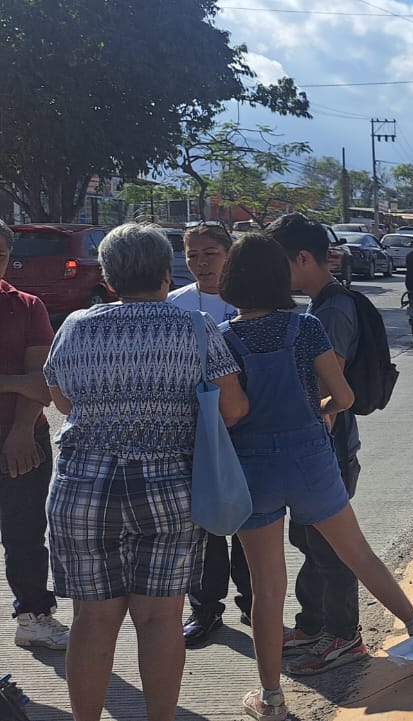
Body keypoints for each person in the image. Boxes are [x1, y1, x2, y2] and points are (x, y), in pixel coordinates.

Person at [216, 235, 413, 720]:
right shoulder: (306, 328)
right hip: (312, 458)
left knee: (267, 587)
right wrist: (321, 413)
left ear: (231, 280)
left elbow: (230, 411)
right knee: (356, 553)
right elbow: (346, 396)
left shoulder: (223, 338)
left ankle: (270, 699)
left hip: (254, 468)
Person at [43, 223, 249, 721]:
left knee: (91, 621)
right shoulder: (195, 327)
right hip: (168, 488)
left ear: (109, 278)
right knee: (160, 619)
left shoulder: (75, 325)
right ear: (165, 273)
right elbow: (234, 408)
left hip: (82, 488)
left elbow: (62, 399)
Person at [267, 214, 370, 676]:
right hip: (316, 451)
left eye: (277, 263)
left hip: (328, 451)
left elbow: (333, 390)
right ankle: (312, 624)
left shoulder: (330, 312)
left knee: (331, 549)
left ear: (303, 259)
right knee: (308, 540)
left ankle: (345, 635)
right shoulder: (318, 306)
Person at [166, 222, 249, 647]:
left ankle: (255, 605)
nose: (200, 263)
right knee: (208, 526)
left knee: (251, 522)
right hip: (197, 432)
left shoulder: (251, 299)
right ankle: (205, 608)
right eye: (192, 255)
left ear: (229, 252)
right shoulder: (175, 305)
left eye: (209, 253)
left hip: (246, 427)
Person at [0, 222, 71, 650]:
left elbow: (42, 384)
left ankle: (34, 616)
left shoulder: (27, 306)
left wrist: (22, 430)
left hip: (23, 438)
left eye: (2, 254)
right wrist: (15, 380)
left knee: (25, 534)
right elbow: (26, 378)